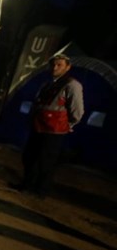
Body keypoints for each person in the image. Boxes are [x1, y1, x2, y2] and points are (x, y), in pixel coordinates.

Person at [19, 51, 84, 195]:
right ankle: (27, 185)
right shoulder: (46, 84)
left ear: (67, 67)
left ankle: (41, 190)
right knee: (30, 156)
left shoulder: (72, 85)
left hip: (54, 130)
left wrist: (69, 124)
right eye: (53, 65)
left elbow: (77, 110)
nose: (55, 68)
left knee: (46, 161)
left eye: (59, 65)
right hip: (38, 126)